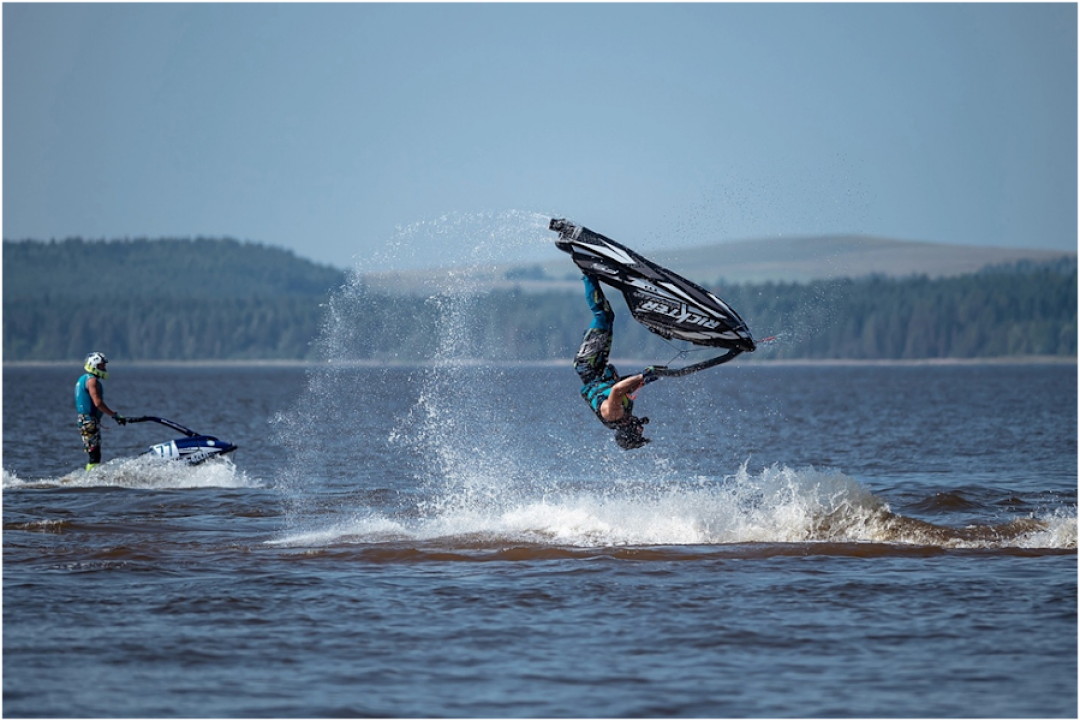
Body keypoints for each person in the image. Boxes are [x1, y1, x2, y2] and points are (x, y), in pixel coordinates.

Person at [573, 274, 652, 450]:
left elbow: (616, 390)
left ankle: (588, 275)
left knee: (603, 315)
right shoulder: (622, 414)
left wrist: (642, 376)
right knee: (608, 316)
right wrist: (646, 378)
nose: (641, 429)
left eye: (639, 433)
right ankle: (591, 276)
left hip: (588, 364)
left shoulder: (612, 414)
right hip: (597, 366)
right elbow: (622, 387)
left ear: (628, 431)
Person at [74, 351, 126, 470]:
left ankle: (91, 476)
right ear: (94, 365)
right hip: (89, 421)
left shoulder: (83, 379)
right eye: (101, 366)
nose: (104, 368)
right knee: (95, 456)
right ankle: (90, 478)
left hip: (85, 420)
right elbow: (98, 403)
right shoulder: (92, 380)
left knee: (94, 454)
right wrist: (114, 415)